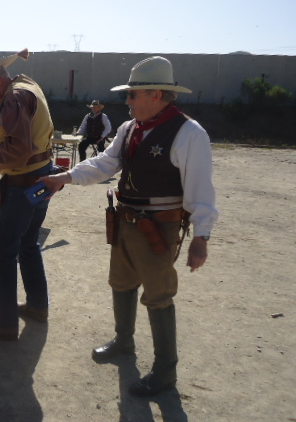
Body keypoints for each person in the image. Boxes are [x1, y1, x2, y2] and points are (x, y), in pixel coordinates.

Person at [39, 56, 218, 396]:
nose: (127, 101)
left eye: (133, 94)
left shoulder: (190, 133)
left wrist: (202, 237)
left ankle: (165, 370)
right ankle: (124, 342)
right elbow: (105, 163)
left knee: (158, 295)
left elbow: (201, 191)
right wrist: (65, 177)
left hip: (159, 228)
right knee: (120, 282)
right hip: (126, 220)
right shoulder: (129, 128)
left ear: (156, 95)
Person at [0, 48, 55, 341]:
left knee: (3, 252)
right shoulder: (26, 86)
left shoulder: (12, 99)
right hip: (40, 179)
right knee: (29, 244)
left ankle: (5, 323)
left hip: (21, 186)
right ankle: (37, 305)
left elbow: (18, 150)